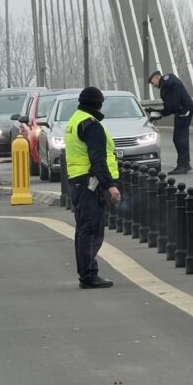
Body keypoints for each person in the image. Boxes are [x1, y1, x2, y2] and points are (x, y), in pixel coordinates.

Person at [65, 86, 121, 289]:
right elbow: (98, 159)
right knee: (91, 229)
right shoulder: (91, 125)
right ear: (98, 104)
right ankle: (89, 276)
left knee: (83, 229)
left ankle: (86, 273)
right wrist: (110, 186)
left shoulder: (75, 120)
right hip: (90, 182)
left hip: (77, 180)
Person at [147, 70, 193, 175]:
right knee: (178, 138)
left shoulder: (167, 84)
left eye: (152, 83)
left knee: (180, 139)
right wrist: (156, 112)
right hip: (182, 110)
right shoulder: (168, 83)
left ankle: (183, 166)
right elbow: (169, 108)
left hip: (183, 110)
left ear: (157, 78)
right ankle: (184, 164)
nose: (153, 86)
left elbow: (170, 107)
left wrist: (159, 112)